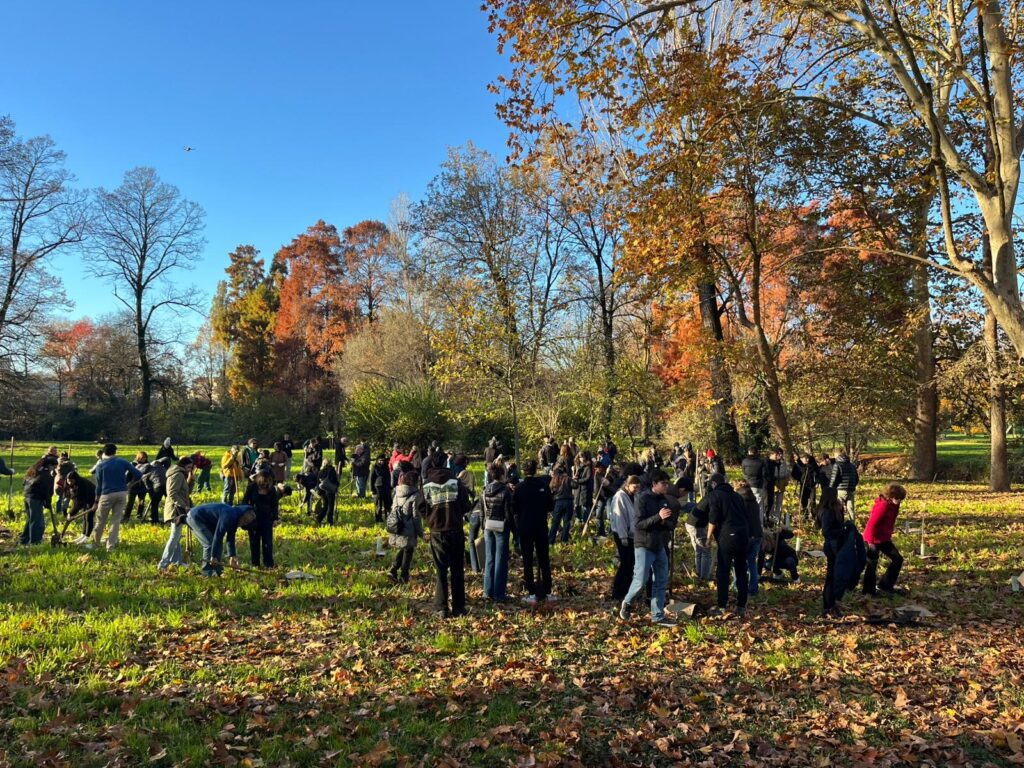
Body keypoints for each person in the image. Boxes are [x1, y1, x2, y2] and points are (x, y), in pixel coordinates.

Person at [619, 470, 677, 626]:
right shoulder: (643, 499)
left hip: (660, 545)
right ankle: (627, 601)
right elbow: (638, 524)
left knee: (661, 580)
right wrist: (658, 517)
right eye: (663, 483)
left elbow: (671, 523)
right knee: (641, 579)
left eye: (667, 483)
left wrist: (665, 522)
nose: (666, 486)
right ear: (654, 484)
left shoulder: (665, 500)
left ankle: (658, 615)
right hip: (644, 544)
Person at [422, 461, 471, 618]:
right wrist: (456, 514)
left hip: (437, 531)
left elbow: (421, 507)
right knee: (457, 570)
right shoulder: (456, 483)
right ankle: (459, 608)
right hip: (455, 529)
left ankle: (441, 608)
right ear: (445, 464)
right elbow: (466, 505)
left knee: (441, 570)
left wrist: (431, 519)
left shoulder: (426, 485)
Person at [702, 473, 750, 617]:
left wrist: (708, 537)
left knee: (723, 571)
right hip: (743, 535)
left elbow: (713, 518)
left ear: (714, 484)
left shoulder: (715, 495)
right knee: (741, 570)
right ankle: (742, 605)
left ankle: (722, 605)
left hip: (727, 536)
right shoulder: (737, 496)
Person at [514, 460, 554, 605]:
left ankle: (531, 592)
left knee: (528, 560)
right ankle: (548, 590)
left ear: (524, 471)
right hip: (541, 526)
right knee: (544, 558)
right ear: (536, 469)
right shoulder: (543, 486)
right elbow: (550, 505)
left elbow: (515, 509)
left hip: (525, 527)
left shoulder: (519, 488)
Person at [89, 444, 143, 551]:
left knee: (101, 520)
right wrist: (128, 485)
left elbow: (99, 486)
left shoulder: (101, 465)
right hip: (122, 493)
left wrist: (96, 501)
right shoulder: (122, 461)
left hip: (106, 495)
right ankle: (111, 546)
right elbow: (138, 474)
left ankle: (96, 544)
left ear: (104, 453)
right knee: (116, 521)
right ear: (115, 452)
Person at [186, 502, 256, 577]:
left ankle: (217, 570)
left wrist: (232, 556)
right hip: (195, 517)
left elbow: (230, 538)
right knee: (209, 543)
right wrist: (213, 556)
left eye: (247, 522)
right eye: (244, 520)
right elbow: (218, 535)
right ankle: (207, 572)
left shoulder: (235, 518)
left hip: (208, 521)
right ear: (242, 514)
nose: (244, 523)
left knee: (217, 543)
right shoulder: (229, 515)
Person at [862, 483, 907, 597]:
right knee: (872, 564)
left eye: (900, 499)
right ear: (890, 496)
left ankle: (886, 585)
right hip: (873, 539)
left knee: (898, 559)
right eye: (897, 498)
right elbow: (872, 524)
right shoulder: (882, 506)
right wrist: (871, 543)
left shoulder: (894, 505)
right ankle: (868, 591)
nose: (899, 501)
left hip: (884, 538)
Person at [481, 463, 514, 602]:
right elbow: (509, 513)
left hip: (488, 524)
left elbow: (482, 510)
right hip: (501, 525)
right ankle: (499, 594)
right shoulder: (505, 491)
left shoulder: (484, 490)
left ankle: (487, 591)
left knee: (489, 559)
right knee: (501, 559)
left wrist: (483, 524)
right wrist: (509, 526)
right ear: (501, 475)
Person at [387, 469, 425, 583]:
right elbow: (416, 516)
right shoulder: (415, 495)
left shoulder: (397, 491)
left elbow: (393, 508)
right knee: (408, 551)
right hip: (408, 528)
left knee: (404, 549)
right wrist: (420, 532)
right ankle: (404, 576)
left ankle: (393, 569)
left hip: (397, 525)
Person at [242, 471, 286, 568]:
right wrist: (246, 513)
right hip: (253, 519)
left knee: (267, 543)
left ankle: (269, 563)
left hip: (267, 519)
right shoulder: (251, 487)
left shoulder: (272, 490)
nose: (265, 484)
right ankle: (255, 563)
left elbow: (274, 505)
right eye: (263, 482)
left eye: (267, 482)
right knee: (254, 543)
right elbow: (244, 501)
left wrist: (275, 518)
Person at [158, 456, 195, 571]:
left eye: (191, 468)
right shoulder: (177, 475)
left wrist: (191, 480)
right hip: (175, 510)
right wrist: (185, 506)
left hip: (178, 509)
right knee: (174, 537)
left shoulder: (182, 475)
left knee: (177, 537)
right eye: (189, 467)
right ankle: (163, 564)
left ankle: (177, 561)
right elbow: (172, 494)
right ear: (182, 466)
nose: (190, 469)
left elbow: (186, 492)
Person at [609, 474, 640, 602]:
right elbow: (619, 518)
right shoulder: (620, 497)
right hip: (622, 534)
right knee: (625, 564)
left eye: (638, 486)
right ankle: (617, 592)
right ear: (628, 485)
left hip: (632, 534)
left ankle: (626, 590)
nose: (637, 488)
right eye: (635, 486)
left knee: (630, 564)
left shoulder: (634, 496)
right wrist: (623, 536)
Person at [819, 496, 848, 617]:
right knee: (830, 577)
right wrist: (843, 531)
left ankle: (832, 604)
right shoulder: (829, 512)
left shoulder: (833, 510)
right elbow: (826, 531)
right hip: (832, 547)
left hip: (836, 546)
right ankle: (828, 606)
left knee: (834, 577)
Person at [734, 479, 764, 596]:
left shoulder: (739, 500)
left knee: (739, 562)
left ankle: (738, 586)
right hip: (757, 534)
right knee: (752, 563)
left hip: (746, 535)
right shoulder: (753, 500)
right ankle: (753, 588)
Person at [20, 455, 57, 545]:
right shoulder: (46, 475)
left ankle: (24, 540)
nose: (54, 469)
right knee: (37, 521)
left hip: (27, 496)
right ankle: (35, 541)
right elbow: (47, 491)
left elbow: (24, 482)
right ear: (50, 465)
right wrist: (48, 502)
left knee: (30, 519)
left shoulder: (34, 470)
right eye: (54, 467)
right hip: (35, 499)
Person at [66, 471, 97, 544]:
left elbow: (79, 503)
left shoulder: (82, 484)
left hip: (93, 499)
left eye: (71, 481)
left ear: (75, 479)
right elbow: (75, 500)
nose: (69, 482)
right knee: (84, 517)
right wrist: (70, 513)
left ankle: (87, 537)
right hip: (86, 499)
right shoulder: (72, 485)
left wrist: (71, 513)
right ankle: (83, 535)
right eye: (68, 481)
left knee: (89, 517)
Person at [829, 450, 859, 521]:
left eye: (834, 455)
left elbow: (834, 478)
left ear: (838, 455)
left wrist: (830, 489)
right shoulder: (852, 465)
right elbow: (857, 479)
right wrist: (852, 486)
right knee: (851, 510)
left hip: (840, 489)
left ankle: (840, 524)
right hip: (851, 490)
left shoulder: (837, 465)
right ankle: (852, 526)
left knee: (839, 509)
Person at [548, 467, 574, 544]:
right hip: (568, 502)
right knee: (566, 522)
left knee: (555, 522)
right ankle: (564, 540)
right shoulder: (567, 478)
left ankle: (551, 541)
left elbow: (550, 491)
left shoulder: (553, 480)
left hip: (558, 502)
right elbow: (575, 485)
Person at [142, 457, 170, 524]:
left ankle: (154, 520)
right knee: (169, 502)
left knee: (154, 504)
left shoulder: (149, 469)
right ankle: (170, 519)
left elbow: (146, 482)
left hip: (157, 487)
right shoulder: (163, 467)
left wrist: (150, 490)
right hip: (167, 485)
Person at [124, 451, 150, 521]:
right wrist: (127, 484)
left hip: (142, 487)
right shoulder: (132, 464)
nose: (144, 459)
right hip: (132, 487)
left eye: (145, 458)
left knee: (141, 502)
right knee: (130, 503)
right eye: (142, 458)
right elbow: (127, 475)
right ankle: (126, 517)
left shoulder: (148, 465)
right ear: (139, 457)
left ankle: (139, 515)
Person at [741, 447, 767, 517]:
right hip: (758, 485)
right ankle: (759, 524)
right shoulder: (761, 462)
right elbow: (764, 474)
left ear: (749, 452)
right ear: (757, 452)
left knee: (747, 505)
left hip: (747, 486)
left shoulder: (744, 461)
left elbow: (743, 473)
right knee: (759, 506)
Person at [791, 453, 818, 520]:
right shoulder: (798, 465)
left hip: (812, 485)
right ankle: (805, 515)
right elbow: (793, 474)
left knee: (812, 501)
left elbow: (817, 473)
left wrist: (817, 482)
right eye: (806, 458)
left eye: (808, 458)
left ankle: (814, 516)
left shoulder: (812, 465)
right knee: (803, 501)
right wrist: (799, 479)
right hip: (803, 485)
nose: (807, 460)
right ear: (801, 459)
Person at [314, 458, 340, 525]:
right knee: (331, 506)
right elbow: (335, 481)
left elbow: (317, 483)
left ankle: (319, 518)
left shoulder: (320, 471)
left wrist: (319, 491)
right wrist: (337, 487)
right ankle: (330, 521)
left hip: (322, 491)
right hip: (330, 491)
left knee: (325, 505)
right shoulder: (332, 471)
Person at [572, 451, 594, 524]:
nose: (581, 459)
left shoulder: (588, 467)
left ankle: (585, 522)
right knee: (577, 505)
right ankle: (579, 521)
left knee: (585, 506)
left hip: (584, 489)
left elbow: (587, 478)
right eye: (580, 457)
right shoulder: (577, 466)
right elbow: (574, 477)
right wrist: (574, 475)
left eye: (583, 457)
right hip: (577, 489)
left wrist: (578, 481)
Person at [371, 454, 392, 524]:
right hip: (378, 487)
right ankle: (378, 518)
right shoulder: (374, 467)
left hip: (386, 486)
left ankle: (388, 517)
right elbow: (372, 478)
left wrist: (390, 486)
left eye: (383, 460)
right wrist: (372, 489)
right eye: (380, 460)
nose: (382, 462)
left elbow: (389, 476)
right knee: (379, 504)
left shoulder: (386, 466)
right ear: (377, 460)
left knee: (388, 503)